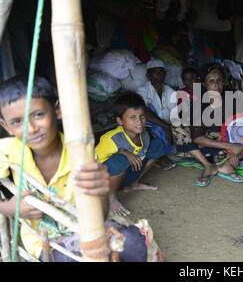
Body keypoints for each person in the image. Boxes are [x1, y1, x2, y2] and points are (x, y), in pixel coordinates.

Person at [0, 76, 148, 262]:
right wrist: (9, 208)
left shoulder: (81, 155)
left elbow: (100, 216)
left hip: (85, 228)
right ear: (5, 126)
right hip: (43, 242)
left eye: (38, 114)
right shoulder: (8, 150)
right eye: (16, 121)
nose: (31, 128)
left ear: (58, 110)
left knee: (135, 242)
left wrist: (102, 190)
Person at [177, 63, 243, 186]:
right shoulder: (198, 104)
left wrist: (234, 150)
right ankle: (208, 166)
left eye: (219, 80)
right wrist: (230, 146)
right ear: (205, 84)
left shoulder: (232, 99)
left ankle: (227, 164)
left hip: (225, 147)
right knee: (178, 126)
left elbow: (241, 127)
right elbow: (198, 137)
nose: (216, 85)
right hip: (203, 148)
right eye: (212, 81)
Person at [95, 92, 166, 217]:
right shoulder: (111, 139)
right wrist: (123, 152)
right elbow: (93, 164)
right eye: (132, 117)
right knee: (121, 160)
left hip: (125, 176)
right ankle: (111, 198)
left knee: (158, 145)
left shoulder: (143, 134)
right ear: (119, 120)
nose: (139, 121)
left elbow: (143, 154)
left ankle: (133, 184)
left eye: (142, 116)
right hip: (105, 182)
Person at [136, 59, 177, 170]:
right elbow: (142, 111)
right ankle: (161, 156)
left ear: (165, 74)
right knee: (147, 129)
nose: (159, 74)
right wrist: (166, 127)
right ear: (149, 75)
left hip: (166, 126)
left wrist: (172, 128)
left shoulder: (170, 91)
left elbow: (175, 114)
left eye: (161, 71)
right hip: (150, 126)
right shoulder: (143, 90)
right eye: (155, 72)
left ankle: (165, 149)